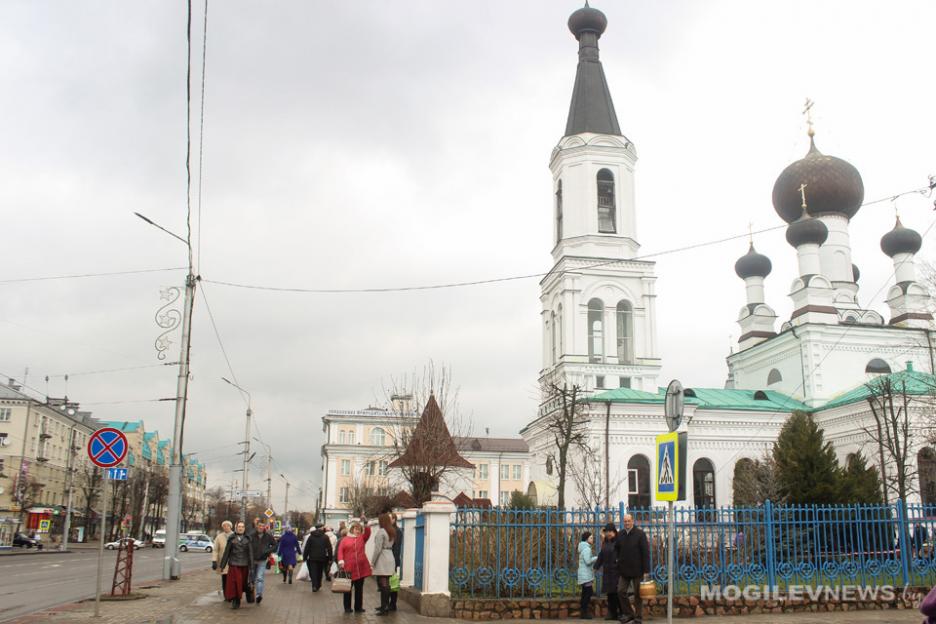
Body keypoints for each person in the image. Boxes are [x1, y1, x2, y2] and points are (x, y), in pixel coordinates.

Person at [614, 514, 650, 624]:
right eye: (625, 521)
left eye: (628, 521)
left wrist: (646, 570)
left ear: (632, 521)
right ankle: (629, 614)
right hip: (624, 570)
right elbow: (616, 549)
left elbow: (645, 552)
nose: (627, 523)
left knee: (638, 595)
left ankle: (638, 618)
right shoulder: (620, 534)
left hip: (637, 570)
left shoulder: (640, 534)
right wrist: (617, 559)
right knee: (620, 591)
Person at [337, 519, 372, 614]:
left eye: (359, 529)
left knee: (359, 589)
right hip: (348, 568)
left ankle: (358, 607)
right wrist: (341, 560)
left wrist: (366, 523)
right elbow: (340, 551)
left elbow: (368, 533)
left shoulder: (362, 538)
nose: (357, 531)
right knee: (347, 589)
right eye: (356, 529)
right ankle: (347, 607)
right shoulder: (345, 540)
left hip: (360, 568)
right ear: (352, 529)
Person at [220, 521, 255, 609]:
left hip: (244, 565)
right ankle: (236, 600)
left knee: (242, 583)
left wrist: (252, 567)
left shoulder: (248, 539)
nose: (241, 528)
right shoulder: (231, 538)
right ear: (236, 528)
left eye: (242, 527)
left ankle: (245, 595)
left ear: (244, 528)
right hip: (234, 564)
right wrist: (222, 565)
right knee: (235, 583)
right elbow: (226, 552)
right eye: (239, 526)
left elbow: (250, 553)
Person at [371, 513, 396, 616]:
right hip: (390, 556)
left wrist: (372, 562)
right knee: (386, 583)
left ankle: (384, 607)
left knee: (383, 583)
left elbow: (377, 549)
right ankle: (384, 606)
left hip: (382, 558)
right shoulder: (391, 531)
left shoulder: (381, 531)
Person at [594, 523, 620, 621]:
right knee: (610, 593)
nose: (608, 533)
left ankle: (621, 612)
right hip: (607, 571)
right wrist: (596, 566)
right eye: (607, 532)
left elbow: (622, 554)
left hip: (616, 571)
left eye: (610, 531)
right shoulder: (605, 543)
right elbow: (601, 555)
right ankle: (612, 613)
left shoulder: (618, 542)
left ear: (614, 532)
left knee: (617, 593)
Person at [250, 521, 276, 605]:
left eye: (262, 526)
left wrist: (267, 551)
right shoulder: (251, 535)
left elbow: (275, 545)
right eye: (259, 525)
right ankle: (251, 594)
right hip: (253, 560)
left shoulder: (268, 536)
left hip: (262, 560)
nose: (261, 527)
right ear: (256, 526)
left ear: (264, 527)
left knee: (260, 578)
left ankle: (259, 595)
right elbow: (247, 546)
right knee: (252, 579)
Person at [302, 524, 333, 591]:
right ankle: (318, 584)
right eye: (323, 527)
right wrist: (330, 558)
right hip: (322, 557)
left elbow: (307, 548)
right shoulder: (325, 537)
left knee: (313, 571)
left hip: (312, 557)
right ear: (321, 528)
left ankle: (314, 585)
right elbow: (329, 548)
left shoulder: (311, 536)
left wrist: (304, 557)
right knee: (319, 571)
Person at [577, 531, 598, 620]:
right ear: (586, 539)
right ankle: (584, 612)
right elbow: (588, 561)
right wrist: (597, 557)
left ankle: (583, 611)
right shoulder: (587, 549)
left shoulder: (583, 547)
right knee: (588, 592)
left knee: (585, 592)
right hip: (585, 574)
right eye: (591, 538)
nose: (592, 539)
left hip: (584, 573)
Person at [211, 521, 234, 597]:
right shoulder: (219, 537)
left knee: (232, 579)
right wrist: (214, 560)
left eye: (227, 526)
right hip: (223, 562)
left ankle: (231, 594)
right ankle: (226, 594)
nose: (226, 527)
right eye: (224, 526)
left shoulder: (234, 536)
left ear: (231, 527)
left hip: (233, 561)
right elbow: (215, 550)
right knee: (225, 578)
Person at [389, 513, 403, 611]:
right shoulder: (388, 530)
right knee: (387, 583)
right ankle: (387, 603)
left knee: (393, 582)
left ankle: (393, 604)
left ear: (394, 519)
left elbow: (397, 548)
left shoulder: (397, 531)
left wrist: (393, 560)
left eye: (390, 518)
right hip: (388, 560)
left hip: (393, 560)